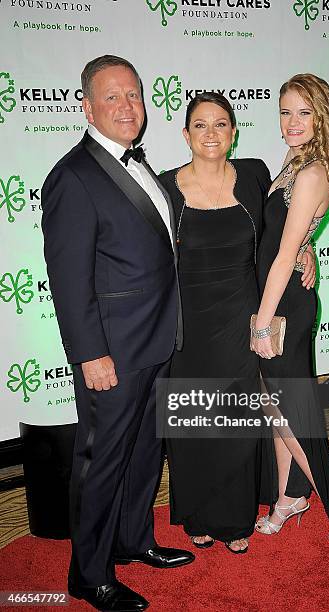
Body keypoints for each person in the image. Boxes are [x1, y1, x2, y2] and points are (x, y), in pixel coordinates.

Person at [41, 55, 194, 612]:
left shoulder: (142, 165)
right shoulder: (72, 177)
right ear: (86, 106)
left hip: (158, 340)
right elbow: (69, 278)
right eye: (113, 97)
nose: (128, 106)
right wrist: (90, 354)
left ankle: (133, 541)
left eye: (134, 95)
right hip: (114, 352)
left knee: (145, 452)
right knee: (103, 460)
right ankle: (88, 574)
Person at [159, 92, 316, 554]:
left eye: (221, 123)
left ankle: (233, 519)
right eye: (201, 125)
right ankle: (199, 516)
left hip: (243, 312)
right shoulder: (165, 186)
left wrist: (305, 248)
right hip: (189, 318)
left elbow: (278, 232)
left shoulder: (253, 175)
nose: (212, 133)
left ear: (234, 132)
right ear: (186, 134)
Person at [252, 73, 329, 543]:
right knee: (277, 407)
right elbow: (289, 237)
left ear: (321, 115)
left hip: (283, 306)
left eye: (304, 112)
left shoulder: (313, 171)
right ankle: (289, 494)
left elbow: (283, 254)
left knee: (291, 413)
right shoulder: (293, 160)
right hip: (277, 297)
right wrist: (309, 246)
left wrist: (262, 324)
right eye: (285, 111)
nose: (292, 122)